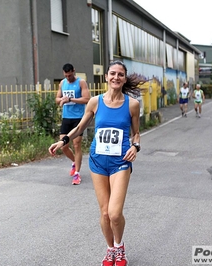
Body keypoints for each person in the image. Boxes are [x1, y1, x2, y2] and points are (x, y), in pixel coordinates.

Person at [49, 60, 144, 265]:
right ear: (106, 77)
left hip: (120, 161)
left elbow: (136, 134)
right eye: (112, 73)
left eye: (120, 74)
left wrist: (134, 147)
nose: (116, 77)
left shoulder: (132, 105)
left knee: (114, 213)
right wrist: (63, 140)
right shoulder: (95, 102)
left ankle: (119, 246)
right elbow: (81, 127)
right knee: (104, 212)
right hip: (98, 161)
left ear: (124, 78)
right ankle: (110, 249)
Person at [55, 63, 90, 185]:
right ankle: (75, 162)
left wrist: (70, 99)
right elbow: (57, 99)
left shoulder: (81, 83)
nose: (68, 78)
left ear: (74, 71)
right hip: (66, 117)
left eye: (70, 75)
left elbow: (87, 99)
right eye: (66, 76)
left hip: (78, 118)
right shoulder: (62, 83)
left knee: (76, 145)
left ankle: (77, 174)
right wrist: (62, 100)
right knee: (63, 146)